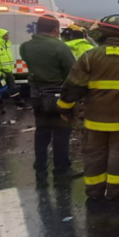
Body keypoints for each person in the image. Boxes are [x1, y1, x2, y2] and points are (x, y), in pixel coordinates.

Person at [59, 14, 119, 200]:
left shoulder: (90, 56)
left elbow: (72, 86)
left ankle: (94, 191)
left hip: (95, 120)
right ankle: (117, 190)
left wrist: (64, 108)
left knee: (94, 153)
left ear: (103, 33)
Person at [20, 15, 78, 180]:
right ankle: (61, 169)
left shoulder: (25, 46)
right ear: (56, 29)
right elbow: (72, 73)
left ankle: (40, 167)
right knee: (61, 132)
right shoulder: (60, 48)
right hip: (57, 96)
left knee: (42, 131)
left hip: (36, 95)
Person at [0, 28, 27, 110]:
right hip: (1, 71)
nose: (8, 37)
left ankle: (19, 103)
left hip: (8, 70)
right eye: (6, 35)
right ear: (1, 36)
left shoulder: (6, 44)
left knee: (13, 87)